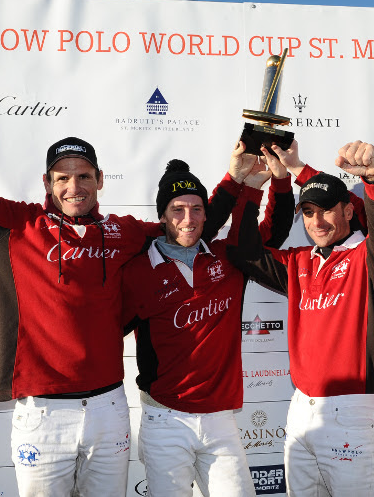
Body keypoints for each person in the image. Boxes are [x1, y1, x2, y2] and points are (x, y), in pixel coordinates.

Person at [0, 52, 261, 496]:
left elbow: (189, 224)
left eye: (84, 176)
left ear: (100, 180)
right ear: (47, 183)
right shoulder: (14, 227)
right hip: (43, 416)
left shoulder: (125, 233)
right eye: (62, 178)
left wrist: (234, 179)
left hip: (109, 408)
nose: (74, 187)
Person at [228, 140, 374, 496]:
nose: (317, 221)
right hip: (301, 410)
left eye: (327, 210)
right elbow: (242, 251)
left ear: (349, 210)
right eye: (309, 212)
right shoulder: (298, 261)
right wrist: (259, 187)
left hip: (352, 412)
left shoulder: (371, 257)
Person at [121, 151, 294, 497]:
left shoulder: (228, 256)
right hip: (164, 419)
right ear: (162, 216)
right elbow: (104, 329)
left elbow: (272, 233)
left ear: (206, 214)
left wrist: (273, 183)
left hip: (220, 421)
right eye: (177, 209)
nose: (188, 219)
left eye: (197, 209)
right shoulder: (137, 271)